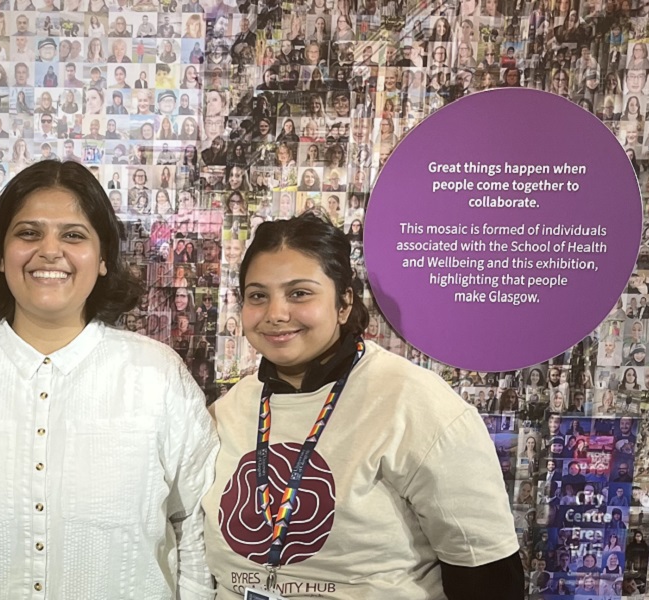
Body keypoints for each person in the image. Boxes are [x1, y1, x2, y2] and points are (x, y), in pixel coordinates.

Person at [0, 160, 218, 598]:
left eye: (73, 235)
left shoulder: (158, 377)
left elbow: (193, 525)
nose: (50, 250)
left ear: (102, 260)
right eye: (28, 233)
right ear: (1, 256)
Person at [202, 211, 522, 599]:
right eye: (258, 296)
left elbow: (486, 573)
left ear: (343, 303)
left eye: (299, 293)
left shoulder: (415, 404)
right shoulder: (228, 412)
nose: (276, 314)